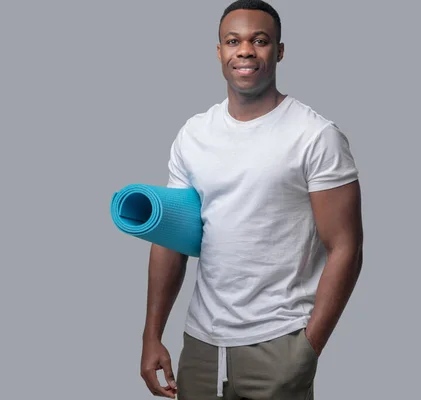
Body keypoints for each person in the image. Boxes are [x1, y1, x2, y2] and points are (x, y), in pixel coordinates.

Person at [139, 0, 363, 398]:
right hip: (202, 345)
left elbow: (346, 246)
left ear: (278, 51)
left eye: (259, 41)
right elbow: (171, 242)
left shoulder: (315, 135)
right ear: (220, 51)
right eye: (233, 41)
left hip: (279, 341)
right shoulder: (194, 134)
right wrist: (152, 335)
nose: (245, 50)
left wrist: (309, 347)